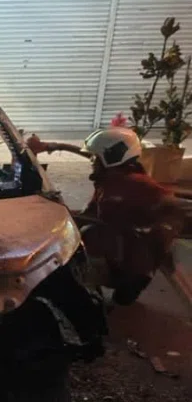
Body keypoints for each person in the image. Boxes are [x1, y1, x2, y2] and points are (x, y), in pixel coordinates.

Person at [27, 128, 185, 304]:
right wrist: (53, 146)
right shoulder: (121, 172)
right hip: (139, 255)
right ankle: (129, 282)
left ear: (112, 157)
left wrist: (54, 210)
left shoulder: (123, 189)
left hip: (132, 264)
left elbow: (91, 221)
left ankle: (95, 289)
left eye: (96, 158)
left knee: (81, 241)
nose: (92, 161)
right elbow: (89, 156)